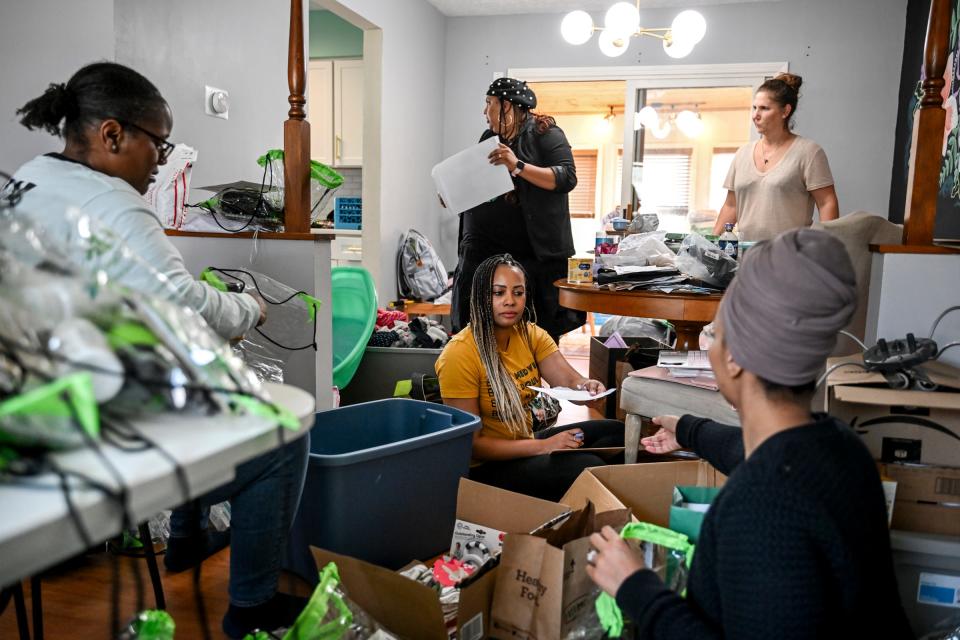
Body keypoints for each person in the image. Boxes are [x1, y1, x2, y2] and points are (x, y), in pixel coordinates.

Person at [11, 62, 308, 639]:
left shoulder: (27, 178)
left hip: (25, 406)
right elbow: (185, 309)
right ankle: (249, 604)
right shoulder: (116, 205)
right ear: (113, 134)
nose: (162, 163)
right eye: (160, 145)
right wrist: (249, 309)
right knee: (281, 434)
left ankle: (190, 533)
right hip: (77, 430)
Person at [585, 229, 912, 638]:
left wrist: (636, 587)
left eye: (714, 334)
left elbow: (771, 492)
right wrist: (689, 429)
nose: (709, 345)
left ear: (736, 357)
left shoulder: (758, 510)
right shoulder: (842, 447)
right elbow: (772, 464)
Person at [437, 254, 623, 502]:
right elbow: (474, 445)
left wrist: (586, 387)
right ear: (481, 296)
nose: (510, 301)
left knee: (616, 433)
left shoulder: (529, 334)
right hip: (486, 469)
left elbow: (567, 379)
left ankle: (606, 505)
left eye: (518, 292)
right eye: (498, 293)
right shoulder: (459, 354)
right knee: (586, 465)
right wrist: (546, 446)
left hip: (525, 445)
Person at [450, 78, 585, 343]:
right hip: (490, 252)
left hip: (535, 255)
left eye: (489, 103)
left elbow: (566, 177)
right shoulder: (490, 138)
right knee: (486, 333)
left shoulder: (546, 133)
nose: (484, 111)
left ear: (507, 106)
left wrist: (517, 165)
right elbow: (479, 183)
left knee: (536, 336)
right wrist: (454, 194)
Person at [712, 73, 839, 241]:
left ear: (785, 111)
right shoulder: (742, 154)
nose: (756, 115)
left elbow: (827, 203)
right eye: (754, 107)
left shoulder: (809, 152)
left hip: (790, 258)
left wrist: (826, 248)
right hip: (746, 258)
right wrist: (709, 247)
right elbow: (731, 205)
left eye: (764, 108)